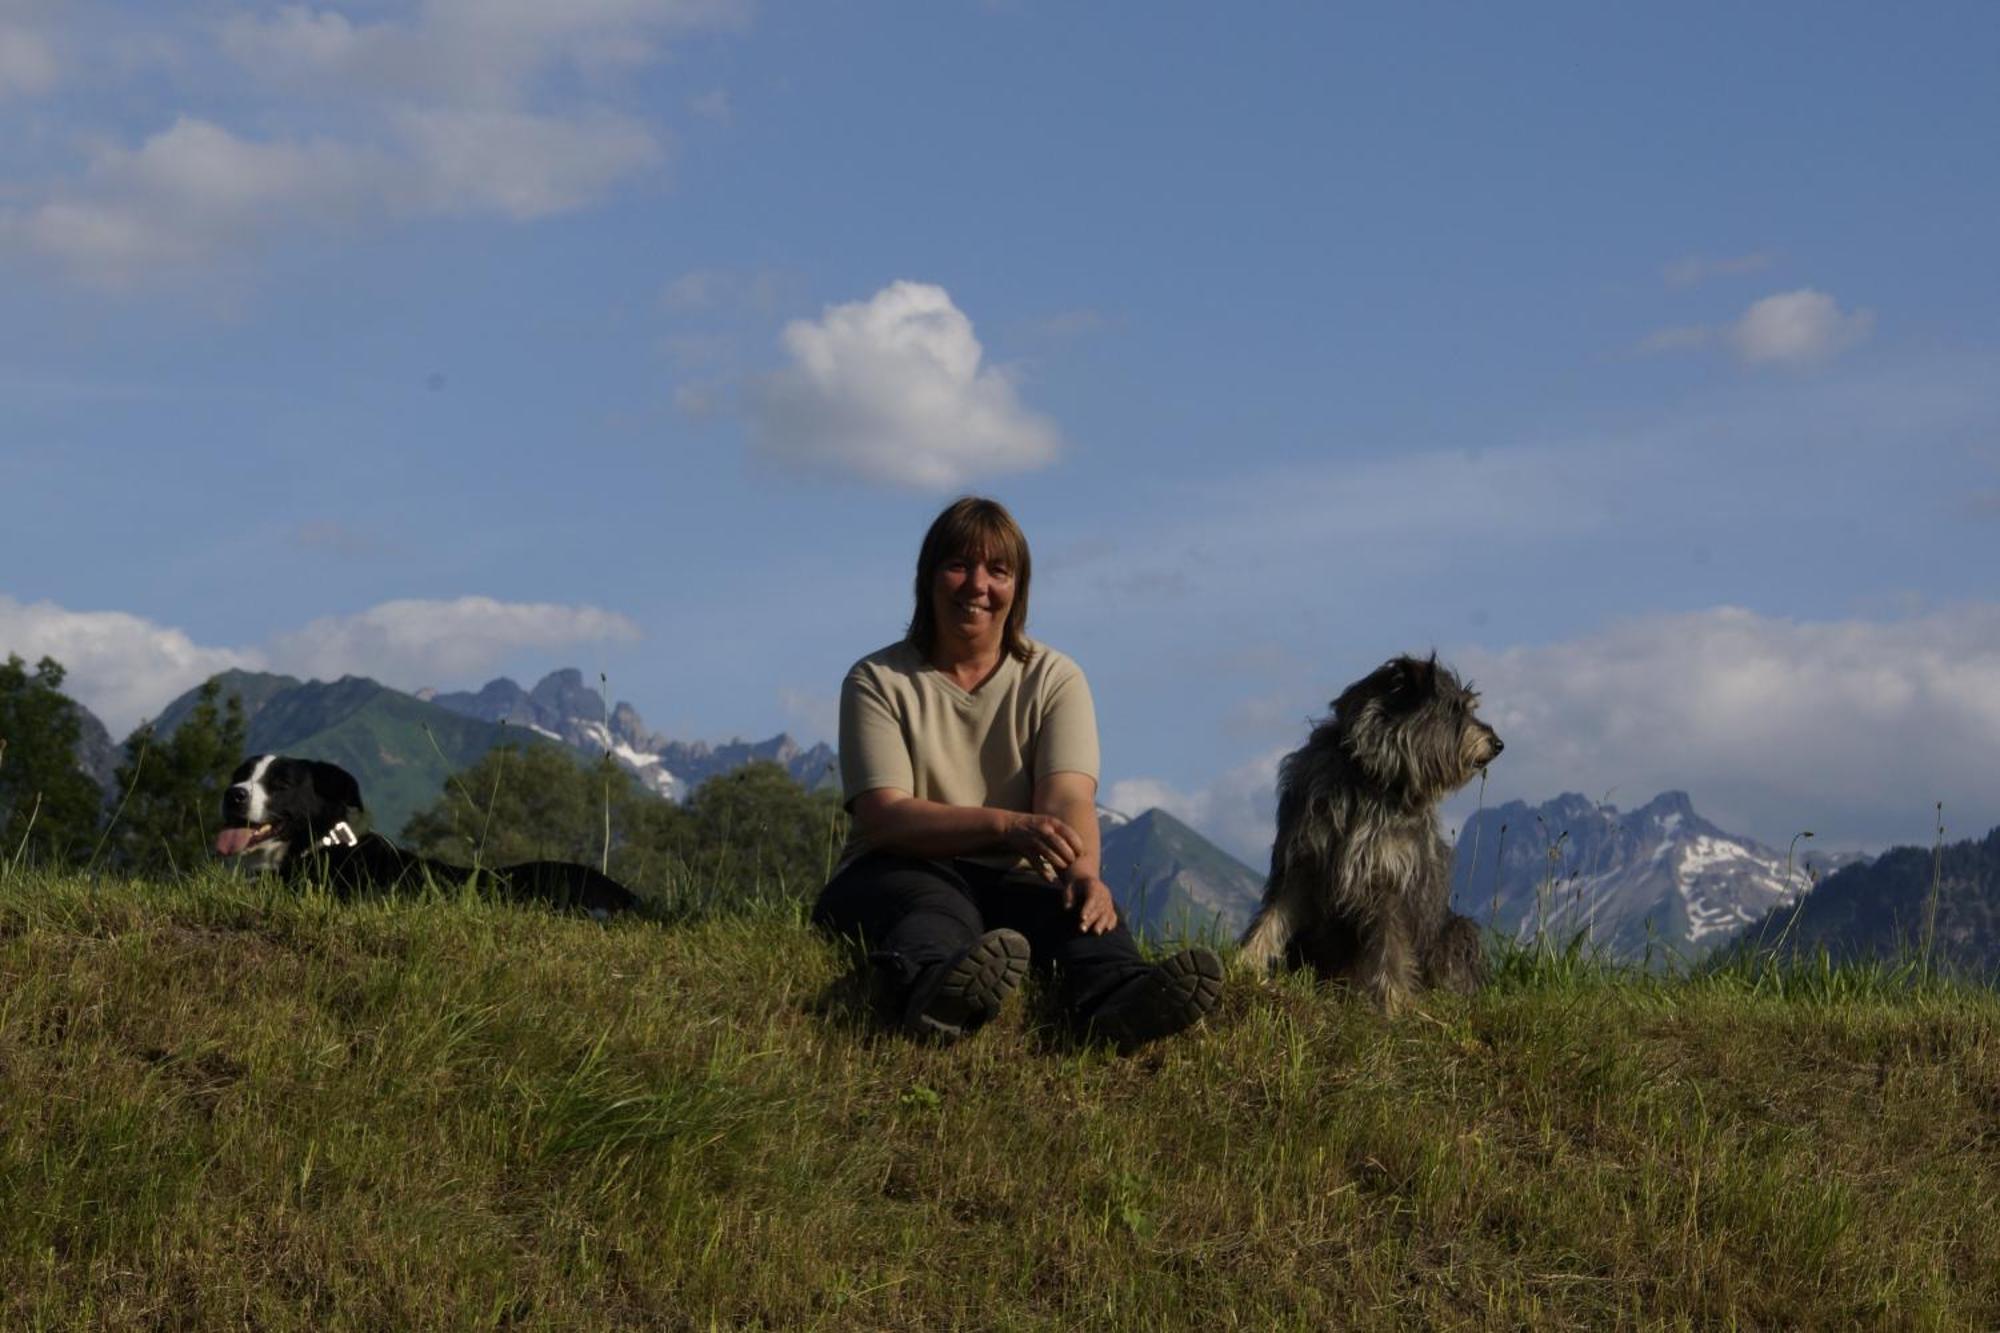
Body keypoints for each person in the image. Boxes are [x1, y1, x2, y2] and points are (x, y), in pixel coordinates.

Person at [811, 496, 1223, 1049]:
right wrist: (1006, 827)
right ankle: (934, 990)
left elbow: (1068, 796)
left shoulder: (1055, 678)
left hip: (1015, 875)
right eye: (958, 565)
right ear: (928, 578)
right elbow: (884, 816)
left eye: (997, 571)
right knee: (936, 910)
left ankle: (1122, 1001)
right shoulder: (877, 680)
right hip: (895, 868)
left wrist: (1083, 874)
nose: (977, 585)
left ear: (1018, 588)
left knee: (1076, 913)